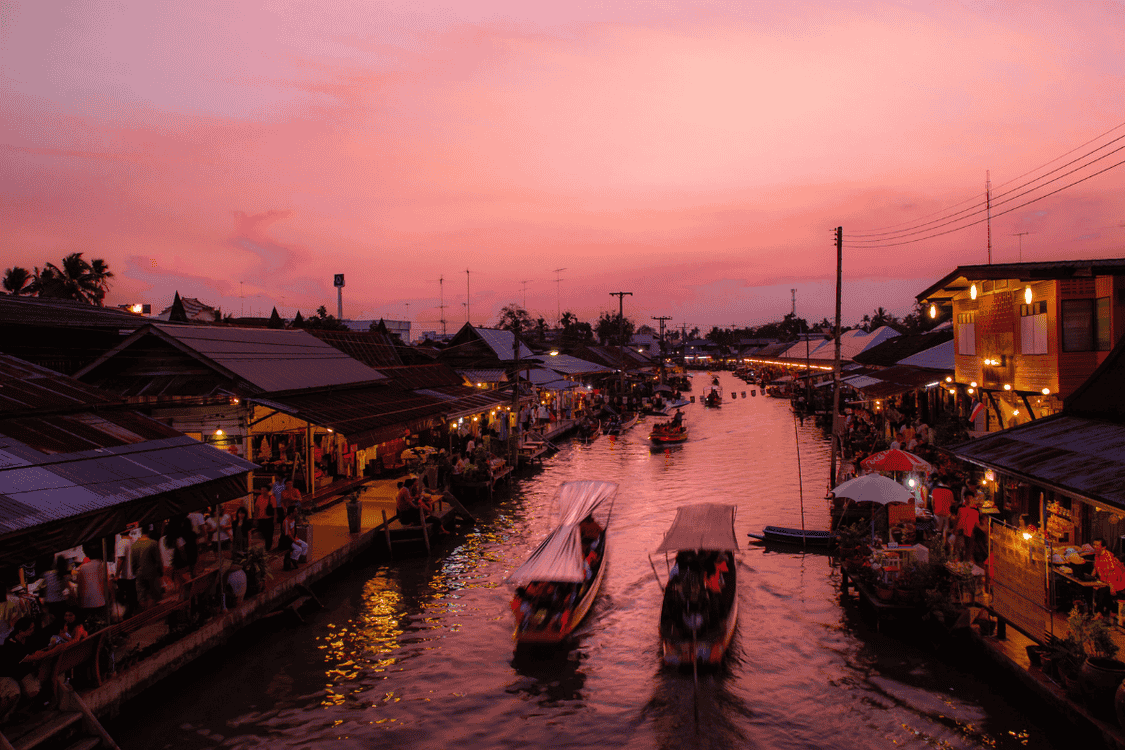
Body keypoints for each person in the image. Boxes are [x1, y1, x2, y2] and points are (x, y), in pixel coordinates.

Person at [0, 617, 43, 723]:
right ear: (21, 631)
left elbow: (36, 653)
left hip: (23, 672)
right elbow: (32, 657)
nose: (33, 630)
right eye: (30, 629)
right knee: (13, 694)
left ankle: (18, 713)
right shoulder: (10, 643)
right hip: (7, 674)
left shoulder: (30, 639)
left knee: (34, 692)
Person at [131, 525, 165, 609]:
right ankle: (155, 613)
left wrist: (134, 572)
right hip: (152, 572)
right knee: (155, 595)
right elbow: (158, 560)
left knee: (142, 596)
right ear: (149, 532)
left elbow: (133, 562)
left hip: (139, 573)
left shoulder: (134, 545)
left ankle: (146, 612)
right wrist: (161, 572)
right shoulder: (153, 543)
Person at [1093, 538, 1125, 624]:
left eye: (1097, 545)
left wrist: (1112, 587)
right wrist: (1090, 578)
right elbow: (1096, 569)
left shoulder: (1108, 557)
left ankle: (1100, 612)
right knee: (1098, 590)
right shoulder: (1097, 555)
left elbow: (1112, 574)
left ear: (1103, 547)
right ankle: (1111, 610)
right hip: (1105, 581)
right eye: (1094, 544)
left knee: (1102, 591)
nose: (1094, 547)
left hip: (1117, 582)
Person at [75, 552, 108, 624]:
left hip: (87, 602)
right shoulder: (102, 565)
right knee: (101, 622)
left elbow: (79, 585)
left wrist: (79, 599)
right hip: (100, 600)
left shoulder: (82, 567)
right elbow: (106, 582)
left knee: (90, 623)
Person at [280, 506, 309, 571]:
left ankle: (295, 558)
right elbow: (288, 534)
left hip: (294, 538)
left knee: (305, 546)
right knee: (298, 549)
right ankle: (293, 559)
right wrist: (295, 541)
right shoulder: (286, 522)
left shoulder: (293, 519)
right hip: (288, 541)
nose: (296, 512)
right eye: (295, 511)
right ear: (291, 513)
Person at [255, 485, 276, 551]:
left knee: (269, 534)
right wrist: (255, 518)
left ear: (267, 491)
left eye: (263, 490)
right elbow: (256, 508)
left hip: (269, 519)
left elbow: (274, 509)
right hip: (261, 518)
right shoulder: (259, 497)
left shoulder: (271, 498)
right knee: (263, 532)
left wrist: (275, 518)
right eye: (261, 490)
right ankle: (269, 542)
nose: (262, 491)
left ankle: (268, 548)